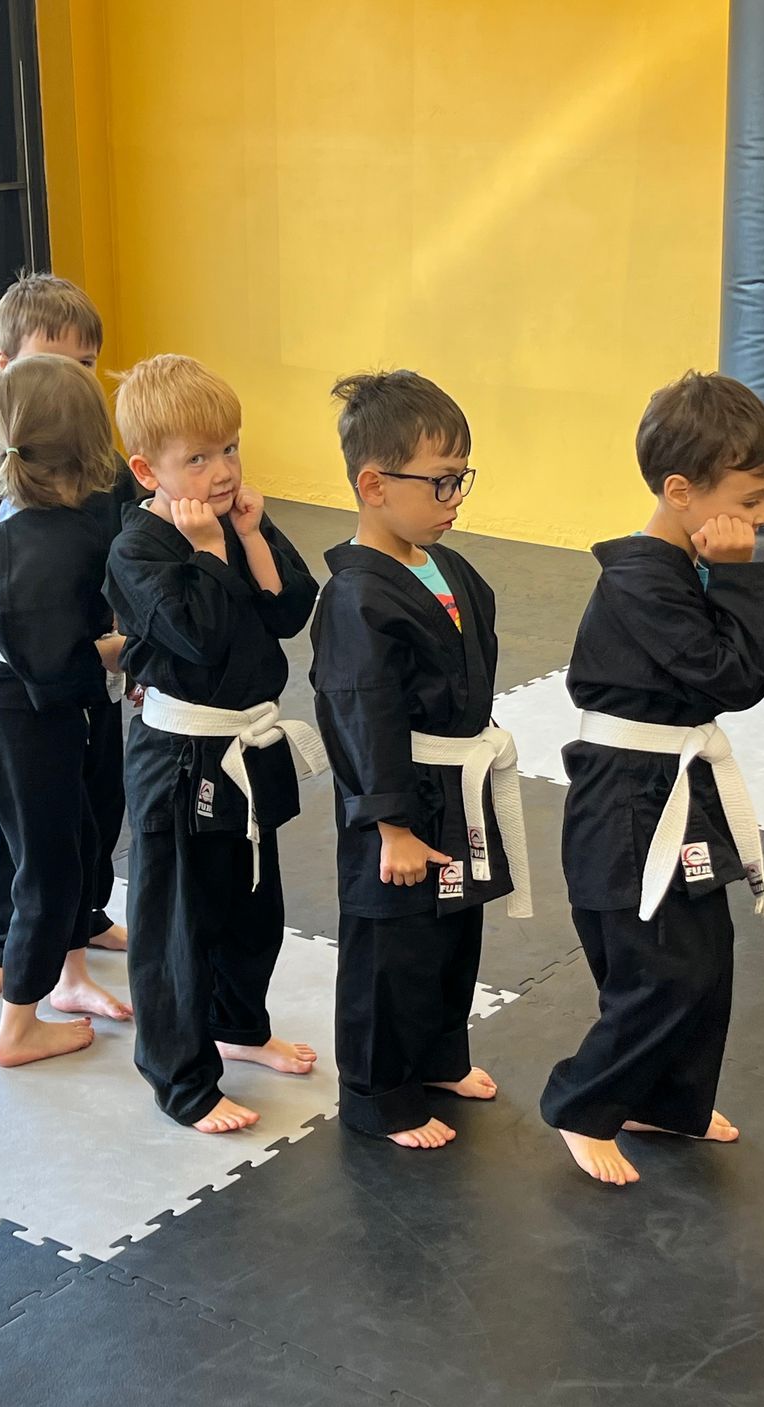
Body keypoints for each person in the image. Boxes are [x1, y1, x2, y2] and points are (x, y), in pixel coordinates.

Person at [541, 371, 764, 1186]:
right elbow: (722, 678)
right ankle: (584, 1102)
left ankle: (666, 1101)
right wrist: (745, 585)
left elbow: (715, 676)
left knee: (706, 959)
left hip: (674, 781)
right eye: (751, 500)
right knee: (660, 967)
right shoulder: (642, 577)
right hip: (628, 801)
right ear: (681, 492)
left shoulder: (686, 565)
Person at [310, 369, 531, 1151]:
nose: (456, 499)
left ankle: (439, 1057)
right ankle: (378, 1095)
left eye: (460, 479)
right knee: (389, 951)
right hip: (397, 801)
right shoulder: (355, 597)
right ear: (374, 485)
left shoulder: (450, 569)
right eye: (441, 483)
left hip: (455, 782)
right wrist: (388, 826)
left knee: (451, 933)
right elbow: (357, 712)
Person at [105, 354, 323, 1135]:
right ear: (146, 469)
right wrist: (206, 554)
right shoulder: (138, 549)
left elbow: (290, 609)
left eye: (229, 448)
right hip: (181, 758)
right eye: (197, 458)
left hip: (248, 745)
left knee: (253, 906)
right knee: (178, 925)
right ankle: (181, 1081)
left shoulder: (236, 517)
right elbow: (196, 637)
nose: (223, 469)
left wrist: (251, 532)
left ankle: (240, 1028)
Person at [0, 273, 136, 1018]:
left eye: (82, 369)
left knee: (94, 801)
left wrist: (124, 650)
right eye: (47, 366)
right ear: (3, 365)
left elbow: (120, 561)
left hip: (90, 672)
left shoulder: (102, 470)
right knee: (20, 816)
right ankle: (4, 939)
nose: (67, 384)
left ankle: (80, 915)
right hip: (19, 684)